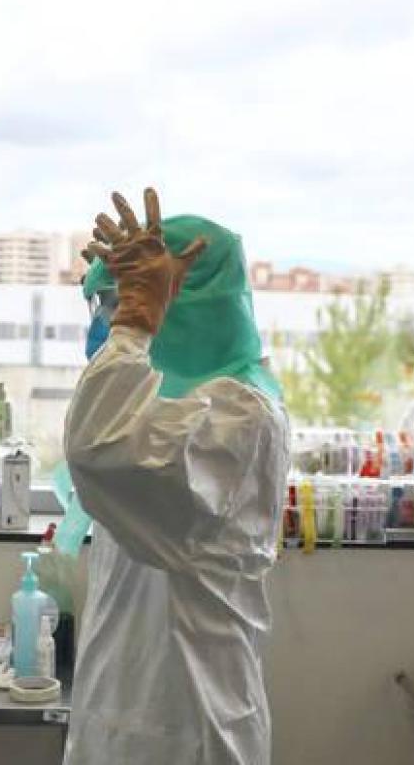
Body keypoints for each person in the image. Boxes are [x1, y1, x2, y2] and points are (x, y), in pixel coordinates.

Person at [62, 189, 290, 765]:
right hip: (131, 717)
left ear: (181, 308)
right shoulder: (176, 411)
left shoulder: (239, 418)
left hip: (187, 728)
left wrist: (137, 324)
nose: (109, 327)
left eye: (123, 304)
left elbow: (97, 445)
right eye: (108, 309)